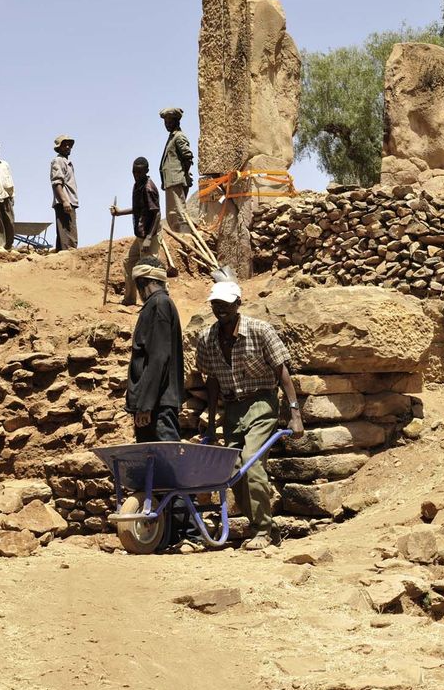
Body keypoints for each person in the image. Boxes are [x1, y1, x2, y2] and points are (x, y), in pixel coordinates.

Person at [196, 280, 304, 547]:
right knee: (233, 469)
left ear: (238, 304)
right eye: (215, 304)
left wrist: (295, 412)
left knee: (251, 462)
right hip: (232, 408)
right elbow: (211, 382)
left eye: (225, 304)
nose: (220, 309)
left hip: (261, 404)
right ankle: (266, 525)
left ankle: (261, 531)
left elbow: (282, 372)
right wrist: (211, 423)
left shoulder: (259, 330)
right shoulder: (208, 338)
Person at [125, 256, 184, 442]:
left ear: (141, 281)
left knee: (168, 464)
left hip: (158, 407)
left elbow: (159, 357)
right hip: (153, 405)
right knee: (153, 466)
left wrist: (145, 404)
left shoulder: (159, 304)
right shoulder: (155, 305)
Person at [110, 157, 162, 306]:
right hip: (141, 233)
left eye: (139, 172)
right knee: (129, 262)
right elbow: (139, 209)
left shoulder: (148, 188)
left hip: (149, 235)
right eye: (134, 172)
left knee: (149, 269)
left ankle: (155, 303)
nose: (136, 175)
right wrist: (119, 212)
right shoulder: (138, 185)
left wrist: (148, 238)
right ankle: (129, 299)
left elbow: (157, 214)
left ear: (146, 171)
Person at [158, 107, 194, 233]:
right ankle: (179, 235)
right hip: (170, 180)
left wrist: (184, 174)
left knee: (179, 211)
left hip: (176, 179)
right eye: (165, 122)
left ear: (176, 122)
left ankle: (186, 235)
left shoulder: (179, 137)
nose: (167, 125)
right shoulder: (172, 137)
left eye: (169, 122)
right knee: (172, 212)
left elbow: (188, 157)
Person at [50, 134, 79, 251]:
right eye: (64, 145)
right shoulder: (58, 161)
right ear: (59, 147)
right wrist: (65, 201)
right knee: (69, 238)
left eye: (69, 145)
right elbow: (57, 183)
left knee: (64, 236)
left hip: (69, 201)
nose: (67, 147)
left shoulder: (66, 162)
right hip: (65, 202)